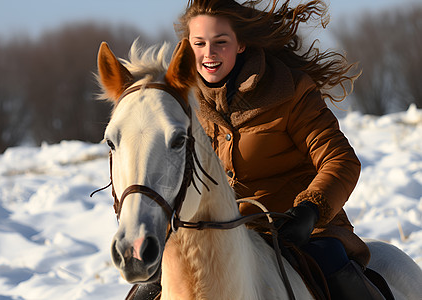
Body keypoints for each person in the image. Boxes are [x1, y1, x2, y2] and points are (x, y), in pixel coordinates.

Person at [127, 0, 386, 299]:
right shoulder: (181, 104)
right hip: (216, 240)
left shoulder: (291, 91)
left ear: (241, 44)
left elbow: (340, 160)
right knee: (145, 290)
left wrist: (309, 211)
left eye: (220, 42)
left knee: (331, 264)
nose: (208, 53)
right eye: (199, 43)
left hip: (301, 232)